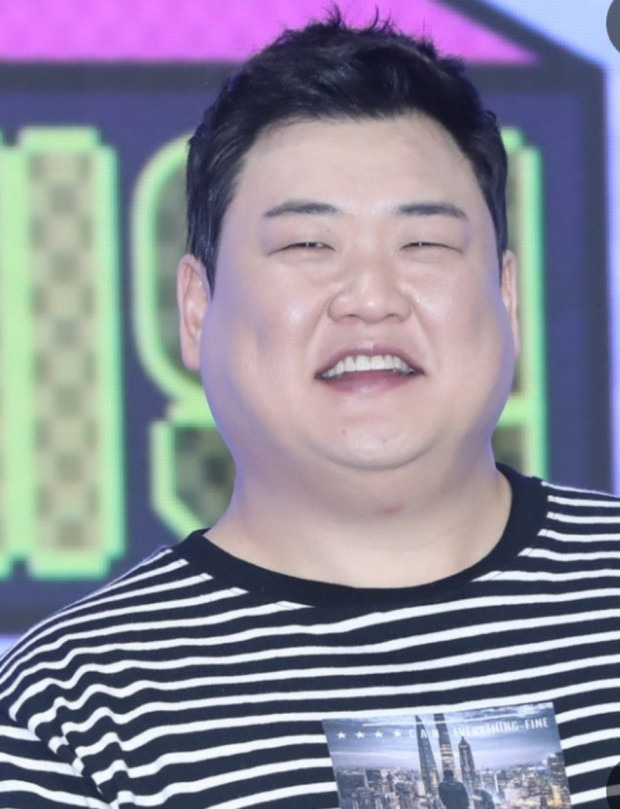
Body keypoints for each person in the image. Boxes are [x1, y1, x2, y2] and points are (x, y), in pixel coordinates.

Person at [1, 9, 618, 809]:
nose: (370, 297)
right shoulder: (71, 708)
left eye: (423, 244)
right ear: (195, 308)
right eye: (307, 245)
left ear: (507, 294)